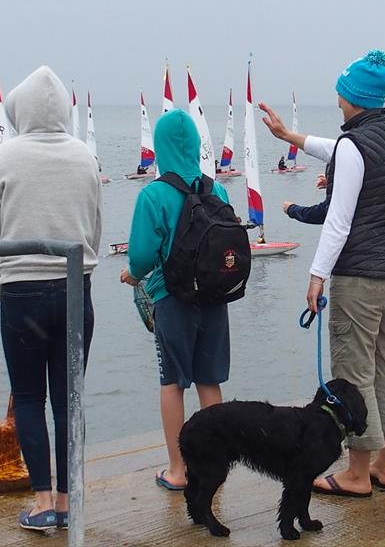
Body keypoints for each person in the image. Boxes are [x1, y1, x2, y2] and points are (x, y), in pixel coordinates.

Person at [261, 50, 385, 495]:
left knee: (353, 375)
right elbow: (336, 150)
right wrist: (288, 136)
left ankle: (356, 474)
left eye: (340, 89)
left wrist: (316, 276)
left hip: (364, 276)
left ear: (351, 97)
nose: (335, 95)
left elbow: (339, 220)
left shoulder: (355, 146)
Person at [0, 65, 102, 531]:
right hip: (75, 287)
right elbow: (93, 226)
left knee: (29, 398)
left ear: (19, 110)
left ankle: (42, 501)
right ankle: (72, 501)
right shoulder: (85, 156)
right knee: (69, 399)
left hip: (22, 291)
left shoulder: (5, 158)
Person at [121, 109, 231, 492]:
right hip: (215, 298)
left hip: (173, 299)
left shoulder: (153, 194)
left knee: (172, 381)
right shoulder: (217, 190)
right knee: (209, 380)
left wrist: (133, 276)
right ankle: (214, 466)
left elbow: (141, 257)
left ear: (161, 146)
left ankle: (178, 469)